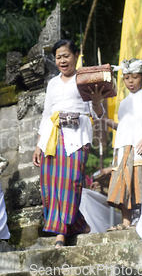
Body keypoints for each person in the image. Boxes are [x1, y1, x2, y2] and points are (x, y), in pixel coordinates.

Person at [32, 39, 108, 248]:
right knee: (51, 183)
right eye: (58, 57)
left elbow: (98, 115)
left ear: (76, 55)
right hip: (52, 136)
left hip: (77, 136)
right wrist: (39, 144)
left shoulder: (85, 79)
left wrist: (96, 101)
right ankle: (79, 226)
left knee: (71, 182)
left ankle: (60, 234)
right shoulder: (53, 84)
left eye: (66, 56)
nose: (62, 61)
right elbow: (47, 114)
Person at [102, 58, 142, 231]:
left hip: (139, 146)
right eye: (126, 78)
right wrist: (107, 122)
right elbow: (124, 127)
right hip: (123, 146)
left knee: (140, 180)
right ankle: (126, 222)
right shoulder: (124, 103)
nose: (130, 81)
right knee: (123, 182)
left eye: (134, 77)